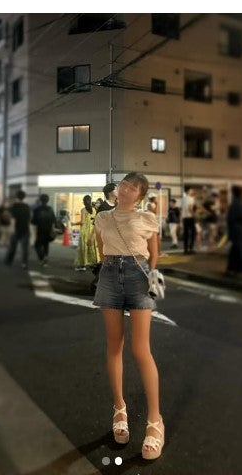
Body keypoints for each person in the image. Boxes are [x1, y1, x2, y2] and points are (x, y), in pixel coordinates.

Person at [93, 172, 164, 461]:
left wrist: (150, 277)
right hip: (110, 275)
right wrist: (111, 267)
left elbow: (154, 254)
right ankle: (119, 408)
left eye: (133, 187)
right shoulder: (102, 217)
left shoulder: (147, 218)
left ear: (140, 196)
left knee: (141, 349)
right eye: (124, 184)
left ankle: (155, 420)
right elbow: (101, 250)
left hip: (139, 277)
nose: (126, 189)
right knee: (114, 346)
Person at [225, 185, 242, 278]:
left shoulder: (233, 205)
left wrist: (230, 233)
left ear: (233, 193)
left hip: (235, 230)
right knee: (241, 250)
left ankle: (235, 269)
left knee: (235, 250)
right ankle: (237, 269)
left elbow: (230, 219)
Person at [72, 195, 100, 271]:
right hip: (92, 230)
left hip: (85, 231)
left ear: (84, 202)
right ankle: (93, 263)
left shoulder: (83, 210)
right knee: (92, 247)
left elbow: (82, 222)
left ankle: (82, 265)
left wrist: (74, 224)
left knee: (83, 248)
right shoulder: (94, 209)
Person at [4, 190, 31, 269]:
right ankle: (24, 263)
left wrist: (12, 229)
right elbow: (29, 218)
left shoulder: (14, 206)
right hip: (25, 228)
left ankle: (9, 261)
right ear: (24, 197)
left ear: (16, 197)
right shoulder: (27, 206)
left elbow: (13, 219)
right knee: (25, 248)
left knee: (13, 247)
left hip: (16, 229)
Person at [31, 194, 57, 267]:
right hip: (48, 230)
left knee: (37, 245)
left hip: (40, 230)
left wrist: (33, 233)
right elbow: (53, 220)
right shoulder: (50, 209)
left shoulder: (37, 210)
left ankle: (42, 258)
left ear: (40, 200)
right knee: (46, 244)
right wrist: (52, 229)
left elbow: (33, 222)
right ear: (47, 200)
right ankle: (45, 259)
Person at [181, 184, 196, 254]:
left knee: (186, 234)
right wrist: (194, 215)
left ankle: (186, 250)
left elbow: (182, 209)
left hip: (185, 218)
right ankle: (191, 249)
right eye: (191, 190)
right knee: (193, 233)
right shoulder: (190, 198)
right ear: (188, 191)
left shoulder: (184, 198)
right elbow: (189, 208)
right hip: (190, 217)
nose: (192, 191)